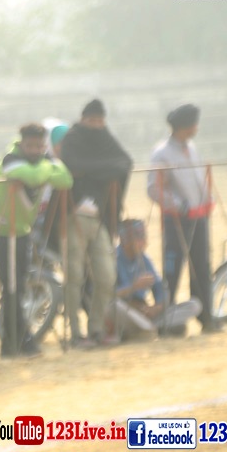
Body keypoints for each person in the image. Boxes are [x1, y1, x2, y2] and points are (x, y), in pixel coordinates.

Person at [0, 123, 73, 358]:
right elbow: (34, 177)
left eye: (39, 146)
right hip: (1, 231)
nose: (35, 151)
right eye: (30, 146)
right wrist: (48, 166)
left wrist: (44, 167)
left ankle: (15, 341)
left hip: (22, 231)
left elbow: (66, 180)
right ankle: (18, 340)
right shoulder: (10, 160)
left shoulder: (41, 160)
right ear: (21, 144)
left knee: (19, 287)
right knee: (10, 286)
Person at [59, 99, 132, 347]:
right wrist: (105, 171)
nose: (96, 125)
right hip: (74, 216)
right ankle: (74, 332)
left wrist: (89, 172)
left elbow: (124, 163)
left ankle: (97, 328)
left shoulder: (106, 138)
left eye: (100, 121)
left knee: (106, 277)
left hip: (100, 217)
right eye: (92, 120)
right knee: (74, 277)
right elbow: (72, 165)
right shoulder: (72, 139)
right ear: (83, 119)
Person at [147, 103, 220, 331]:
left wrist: (207, 200)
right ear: (185, 126)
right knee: (172, 270)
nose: (196, 128)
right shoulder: (162, 153)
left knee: (201, 268)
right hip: (176, 220)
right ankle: (167, 322)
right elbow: (153, 189)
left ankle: (206, 318)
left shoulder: (192, 148)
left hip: (199, 217)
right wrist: (181, 207)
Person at [111, 219, 201, 341]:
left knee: (194, 304)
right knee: (114, 306)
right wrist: (133, 287)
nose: (144, 242)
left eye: (144, 238)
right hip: (125, 312)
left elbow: (160, 287)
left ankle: (151, 328)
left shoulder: (144, 259)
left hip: (145, 314)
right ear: (125, 241)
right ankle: (150, 328)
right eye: (139, 239)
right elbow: (108, 296)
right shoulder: (114, 259)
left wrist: (156, 308)